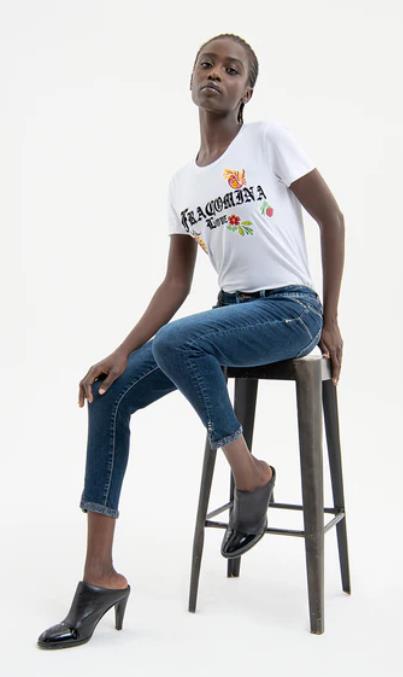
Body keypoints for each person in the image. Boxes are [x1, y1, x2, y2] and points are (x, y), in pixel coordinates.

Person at [37, 32, 344, 650]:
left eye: (232, 69)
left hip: (290, 310)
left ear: (246, 90)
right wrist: (121, 351)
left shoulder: (269, 140)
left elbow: (331, 219)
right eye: (207, 64)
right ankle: (99, 577)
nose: (216, 74)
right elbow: (176, 283)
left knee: (180, 342)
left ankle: (251, 477)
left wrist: (330, 319)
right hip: (229, 316)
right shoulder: (182, 184)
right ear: (191, 79)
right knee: (109, 395)